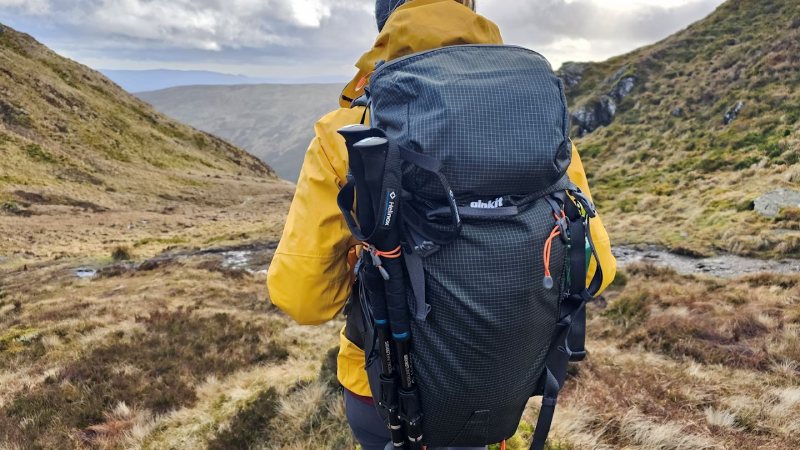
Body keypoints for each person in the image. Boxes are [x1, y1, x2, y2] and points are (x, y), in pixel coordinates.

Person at [267, 1, 616, 449]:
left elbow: (304, 299)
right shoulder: (538, 125)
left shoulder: (348, 132)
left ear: (386, 18)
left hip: (384, 389)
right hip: (501, 377)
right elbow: (596, 269)